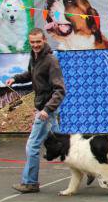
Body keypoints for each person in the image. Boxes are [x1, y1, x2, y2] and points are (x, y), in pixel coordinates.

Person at [7, 28, 66, 193]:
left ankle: (30, 182)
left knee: (32, 146)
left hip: (46, 111)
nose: (35, 45)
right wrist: (15, 78)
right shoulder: (34, 57)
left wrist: (47, 109)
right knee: (61, 145)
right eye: (32, 42)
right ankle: (89, 170)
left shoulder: (51, 60)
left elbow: (60, 90)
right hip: (43, 108)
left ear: (44, 40)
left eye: (38, 42)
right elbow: (31, 74)